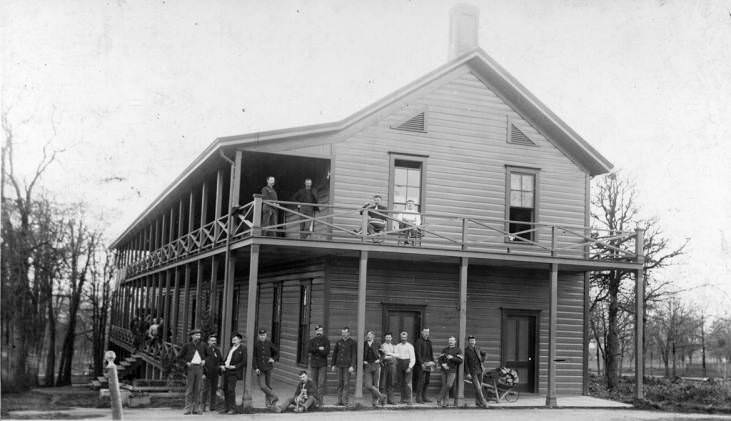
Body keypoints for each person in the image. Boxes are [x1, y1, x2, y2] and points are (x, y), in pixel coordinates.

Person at [176, 328, 209, 415]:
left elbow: (209, 355)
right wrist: (186, 362)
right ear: (192, 336)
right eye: (197, 335)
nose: (199, 336)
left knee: (198, 389)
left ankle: (196, 409)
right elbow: (179, 357)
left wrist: (205, 360)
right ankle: (187, 408)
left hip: (200, 368)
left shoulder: (203, 345)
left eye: (199, 335)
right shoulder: (187, 346)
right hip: (190, 368)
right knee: (189, 389)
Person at [219, 333, 246, 414]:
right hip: (226, 370)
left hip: (234, 372)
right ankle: (227, 407)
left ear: (240, 340)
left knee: (231, 389)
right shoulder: (231, 348)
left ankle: (233, 408)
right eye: (233, 340)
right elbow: (227, 359)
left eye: (235, 340)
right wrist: (223, 365)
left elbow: (244, 361)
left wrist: (235, 366)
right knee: (225, 389)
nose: (233, 341)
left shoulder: (243, 348)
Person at [330, 326, 356, 406]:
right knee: (339, 383)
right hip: (339, 365)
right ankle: (339, 401)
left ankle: (345, 401)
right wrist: (333, 364)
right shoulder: (339, 342)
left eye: (345, 332)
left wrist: (352, 366)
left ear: (348, 333)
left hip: (347, 366)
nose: (343, 334)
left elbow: (354, 355)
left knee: (346, 384)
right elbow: (335, 354)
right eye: (342, 332)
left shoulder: (352, 342)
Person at [254, 328, 279, 408]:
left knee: (268, 385)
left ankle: (268, 403)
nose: (262, 337)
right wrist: (256, 368)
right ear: (258, 336)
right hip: (260, 368)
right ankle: (274, 396)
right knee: (262, 386)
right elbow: (254, 357)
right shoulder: (256, 344)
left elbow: (277, 352)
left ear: (266, 335)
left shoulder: (269, 343)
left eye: (264, 335)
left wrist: (273, 359)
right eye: (261, 335)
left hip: (268, 367)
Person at [436, 336, 463, 408]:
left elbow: (460, 361)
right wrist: (443, 364)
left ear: (455, 342)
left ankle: (439, 399)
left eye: (452, 340)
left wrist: (452, 358)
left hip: (452, 370)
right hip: (444, 370)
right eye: (449, 340)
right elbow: (440, 359)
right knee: (445, 385)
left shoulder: (458, 350)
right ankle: (445, 403)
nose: (451, 342)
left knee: (448, 385)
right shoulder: (444, 350)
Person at [464, 335, 489, 408]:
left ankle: (478, 402)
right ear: (468, 342)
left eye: (473, 341)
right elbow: (466, 364)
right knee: (478, 387)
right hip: (472, 372)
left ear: (475, 341)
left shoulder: (478, 349)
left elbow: (485, 354)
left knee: (478, 387)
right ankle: (484, 402)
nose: (472, 342)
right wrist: (468, 373)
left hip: (480, 371)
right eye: (471, 341)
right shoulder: (466, 351)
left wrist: (483, 359)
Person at [363, 330, 386, 406]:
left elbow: (383, 354)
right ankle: (381, 396)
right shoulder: (364, 344)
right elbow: (360, 353)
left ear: (373, 336)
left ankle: (375, 402)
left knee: (376, 385)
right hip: (367, 365)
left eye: (370, 335)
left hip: (376, 365)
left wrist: (379, 360)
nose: (368, 336)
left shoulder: (377, 344)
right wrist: (364, 361)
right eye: (367, 335)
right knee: (368, 385)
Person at [306, 325, 330, 398]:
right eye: (318, 330)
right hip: (314, 364)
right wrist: (319, 348)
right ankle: (314, 399)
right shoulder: (312, 340)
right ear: (316, 331)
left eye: (321, 330)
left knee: (321, 383)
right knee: (314, 383)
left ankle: (320, 401)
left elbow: (326, 352)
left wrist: (316, 350)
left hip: (322, 364)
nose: (319, 332)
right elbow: (309, 349)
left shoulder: (326, 340)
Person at [201, 334, 223, 412]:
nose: (213, 342)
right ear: (208, 341)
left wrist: (220, 368)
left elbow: (221, 360)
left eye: (215, 341)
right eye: (212, 341)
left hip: (215, 373)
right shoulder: (205, 350)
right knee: (205, 390)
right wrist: (203, 373)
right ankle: (203, 406)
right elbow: (202, 362)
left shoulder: (217, 350)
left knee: (214, 390)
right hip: (207, 373)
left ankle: (212, 406)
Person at [393, 330, 415, 404]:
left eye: (405, 337)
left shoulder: (410, 346)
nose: (403, 339)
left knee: (408, 383)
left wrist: (410, 367)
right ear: (400, 337)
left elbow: (413, 358)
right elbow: (396, 355)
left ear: (407, 338)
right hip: (400, 364)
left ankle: (409, 399)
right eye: (402, 337)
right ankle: (402, 399)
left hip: (407, 364)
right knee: (401, 382)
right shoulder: (397, 346)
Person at [413, 327, 435, 403]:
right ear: (422, 332)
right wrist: (421, 363)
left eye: (428, 332)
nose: (427, 334)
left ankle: (424, 396)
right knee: (420, 381)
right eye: (425, 332)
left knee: (427, 381)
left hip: (429, 364)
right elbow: (417, 354)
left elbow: (431, 353)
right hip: (421, 365)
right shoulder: (418, 341)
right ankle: (418, 398)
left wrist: (433, 362)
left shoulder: (429, 342)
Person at [379, 332, 397, 404]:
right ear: (385, 338)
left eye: (389, 337)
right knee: (383, 383)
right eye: (387, 337)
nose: (388, 339)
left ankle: (391, 400)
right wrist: (390, 356)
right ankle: (383, 400)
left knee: (391, 382)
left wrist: (389, 355)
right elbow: (381, 356)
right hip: (385, 365)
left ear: (391, 338)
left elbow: (396, 355)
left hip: (392, 366)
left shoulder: (393, 346)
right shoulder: (382, 346)